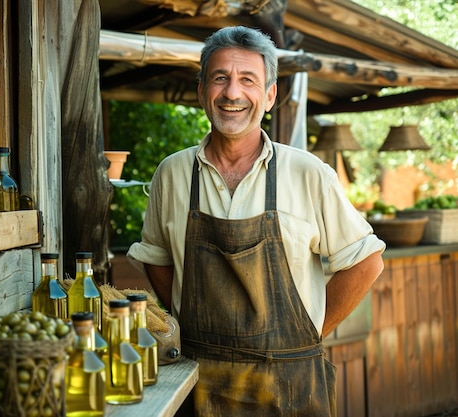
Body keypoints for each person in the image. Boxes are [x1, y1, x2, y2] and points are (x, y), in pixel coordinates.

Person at [126, 26, 386, 416]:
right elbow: (156, 258)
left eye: (248, 80)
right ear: (201, 92)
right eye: (220, 78)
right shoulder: (173, 173)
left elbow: (366, 262)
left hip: (291, 385)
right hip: (199, 384)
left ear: (269, 96)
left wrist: (306, 336)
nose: (232, 93)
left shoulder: (307, 173)